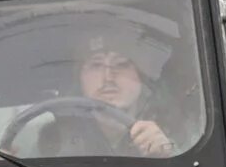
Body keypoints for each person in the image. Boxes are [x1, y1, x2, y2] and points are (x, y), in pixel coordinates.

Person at [50, 29, 179, 157]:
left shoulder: (179, 129)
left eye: (121, 64)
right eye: (96, 65)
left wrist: (165, 153)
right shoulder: (54, 139)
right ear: (80, 79)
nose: (108, 77)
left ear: (141, 77)